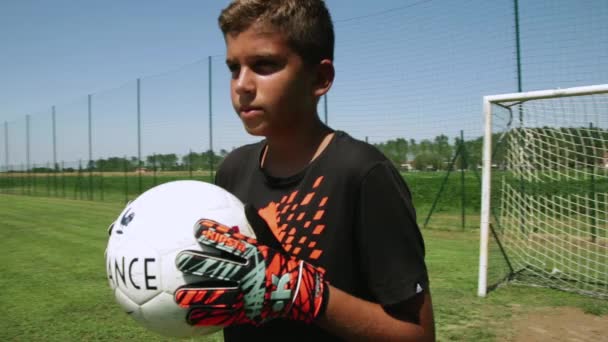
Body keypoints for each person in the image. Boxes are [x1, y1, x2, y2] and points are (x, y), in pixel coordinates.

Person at [175, 0, 435, 340]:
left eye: (264, 65)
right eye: (233, 68)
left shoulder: (362, 172)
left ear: (320, 77)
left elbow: (419, 334)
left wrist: (302, 294)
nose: (242, 85)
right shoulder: (232, 170)